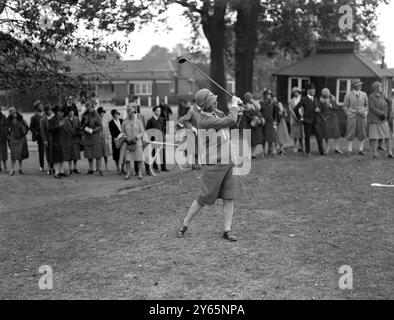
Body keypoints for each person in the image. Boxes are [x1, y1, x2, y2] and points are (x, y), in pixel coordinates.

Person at [176, 89, 244, 242]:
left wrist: (239, 112)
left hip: (228, 161)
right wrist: (233, 106)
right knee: (203, 198)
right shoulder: (204, 121)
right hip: (213, 165)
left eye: (215, 100)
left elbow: (232, 125)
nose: (216, 102)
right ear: (206, 105)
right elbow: (229, 121)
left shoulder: (217, 113)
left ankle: (227, 230)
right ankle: (184, 225)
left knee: (229, 196)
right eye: (213, 101)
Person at [294, 83, 325, 156]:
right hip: (307, 121)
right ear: (308, 91)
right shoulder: (304, 99)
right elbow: (295, 109)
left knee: (319, 136)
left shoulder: (316, 99)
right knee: (307, 137)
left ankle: (322, 151)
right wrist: (300, 117)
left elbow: (320, 108)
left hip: (315, 120)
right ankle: (308, 151)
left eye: (314, 89)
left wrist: (318, 110)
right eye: (312, 89)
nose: (314, 91)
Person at [343, 79, 369, 155]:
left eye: (360, 85)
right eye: (358, 85)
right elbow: (345, 106)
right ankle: (349, 150)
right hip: (352, 115)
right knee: (350, 132)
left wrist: (365, 112)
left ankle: (361, 150)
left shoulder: (364, 94)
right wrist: (349, 113)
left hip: (362, 115)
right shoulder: (348, 95)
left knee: (362, 132)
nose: (360, 86)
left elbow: (367, 105)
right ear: (354, 86)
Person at [368, 81, 393, 158]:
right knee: (374, 137)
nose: (382, 88)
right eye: (380, 87)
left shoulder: (383, 96)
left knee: (388, 136)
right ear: (376, 88)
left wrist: (385, 114)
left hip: (383, 120)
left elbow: (386, 106)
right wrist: (381, 114)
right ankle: (375, 153)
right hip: (375, 120)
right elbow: (372, 108)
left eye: (382, 87)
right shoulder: (371, 97)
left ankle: (390, 153)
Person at [121, 105, 145, 180]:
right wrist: (126, 138)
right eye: (131, 112)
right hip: (128, 143)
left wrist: (137, 137)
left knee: (139, 158)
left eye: (133, 112)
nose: (132, 113)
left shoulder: (138, 121)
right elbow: (122, 133)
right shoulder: (124, 122)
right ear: (128, 113)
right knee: (127, 159)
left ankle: (140, 173)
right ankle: (128, 174)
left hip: (137, 142)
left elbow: (142, 132)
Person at [81, 100, 104, 176]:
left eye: (90, 106)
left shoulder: (96, 114)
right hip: (87, 136)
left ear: (92, 106)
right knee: (89, 154)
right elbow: (81, 125)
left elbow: (100, 126)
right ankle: (90, 169)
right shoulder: (84, 115)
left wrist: (93, 130)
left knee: (98, 154)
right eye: (87, 106)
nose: (89, 108)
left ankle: (100, 169)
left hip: (95, 136)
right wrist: (85, 129)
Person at [240, 92, 264, 159]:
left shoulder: (254, 105)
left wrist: (260, 118)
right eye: (250, 98)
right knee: (250, 140)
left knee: (256, 140)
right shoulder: (246, 106)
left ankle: (253, 153)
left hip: (256, 125)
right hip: (249, 125)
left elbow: (259, 112)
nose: (252, 99)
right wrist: (253, 118)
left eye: (252, 97)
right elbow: (246, 115)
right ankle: (248, 153)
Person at [319, 88, 343, 155]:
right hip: (326, 118)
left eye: (327, 92)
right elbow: (320, 111)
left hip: (333, 117)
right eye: (324, 93)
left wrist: (331, 105)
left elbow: (337, 108)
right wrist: (322, 117)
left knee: (336, 133)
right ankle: (327, 149)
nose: (326, 94)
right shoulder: (321, 100)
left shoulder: (333, 98)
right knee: (327, 134)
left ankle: (337, 148)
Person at [7, 107, 29, 175]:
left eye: (14, 112)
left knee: (20, 154)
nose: (13, 114)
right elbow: (6, 130)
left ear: (15, 112)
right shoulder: (8, 120)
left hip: (21, 138)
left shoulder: (21, 119)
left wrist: (24, 133)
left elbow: (27, 127)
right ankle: (12, 169)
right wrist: (9, 136)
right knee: (13, 155)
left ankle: (20, 168)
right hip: (13, 138)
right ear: (10, 114)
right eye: (12, 113)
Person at [145, 105, 165, 175]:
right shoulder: (150, 120)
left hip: (160, 140)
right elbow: (147, 131)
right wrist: (151, 140)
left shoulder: (161, 119)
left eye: (160, 111)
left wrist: (163, 138)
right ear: (154, 111)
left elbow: (162, 129)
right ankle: (155, 167)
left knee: (162, 153)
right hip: (153, 141)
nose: (159, 112)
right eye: (158, 110)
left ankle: (163, 167)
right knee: (154, 154)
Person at [48, 105, 67, 179]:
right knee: (56, 158)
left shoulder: (62, 119)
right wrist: (58, 126)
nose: (59, 112)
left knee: (62, 157)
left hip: (62, 140)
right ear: (55, 112)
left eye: (60, 111)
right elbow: (49, 129)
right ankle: (56, 172)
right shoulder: (51, 120)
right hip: (55, 140)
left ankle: (61, 171)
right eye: (58, 111)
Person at [63, 106, 82, 173]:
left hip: (76, 138)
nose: (71, 113)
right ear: (68, 112)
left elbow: (80, 127)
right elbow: (64, 129)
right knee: (69, 154)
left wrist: (78, 132)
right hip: (68, 138)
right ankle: (70, 168)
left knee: (76, 154)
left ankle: (75, 167)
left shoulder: (77, 118)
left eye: (72, 111)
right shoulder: (65, 119)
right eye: (70, 111)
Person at [260, 90, 278, 155]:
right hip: (264, 122)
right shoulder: (261, 103)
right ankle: (263, 151)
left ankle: (272, 150)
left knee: (272, 137)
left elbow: (275, 113)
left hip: (271, 122)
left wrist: (275, 121)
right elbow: (259, 112)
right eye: (268, 94)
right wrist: (261, 118)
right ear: (264, 95)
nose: (269, 96)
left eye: (270, 95)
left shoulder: (273, 104)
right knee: (263, 138)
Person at [30, 101, 45, 172]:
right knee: (41, 152)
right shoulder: (34, 117)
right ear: (36, 108)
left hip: (47, 135)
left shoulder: (46, 114)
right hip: (40, 137)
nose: (41, 107)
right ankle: (41, 166)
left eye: (41, 105)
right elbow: (31, 127)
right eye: (40, 106)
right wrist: (36, 133)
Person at [108, 109, 125, 174]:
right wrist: (117, 138)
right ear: (113, 115)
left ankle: (123, 168)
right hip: (116, 140)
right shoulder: (111, 122)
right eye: (115, 114)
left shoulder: (121, 120)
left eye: (117, 114)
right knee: (116, 154)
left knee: (123, 154)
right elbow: (112, 132)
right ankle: (118, 168)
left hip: (123, 139)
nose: (117, 115)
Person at [289, 87, 304, 153]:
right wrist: (296, 117)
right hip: (294, 119)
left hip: (302, 118)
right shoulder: (291, 101)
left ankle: (301, 147)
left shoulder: (302, 100)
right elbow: (291, 110)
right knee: (295, 134)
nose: (296, 93)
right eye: (295, 92)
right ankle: (295, 146)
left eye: (297, 92)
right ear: (293, 93)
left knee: (301, 134)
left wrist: (302, 116)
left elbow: (304, 108)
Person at [40, 105, 54, 175]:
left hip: (54, 139)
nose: (50, 111)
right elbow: (42, 131)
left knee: (54, 153)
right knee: (48, 154)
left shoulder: (54, 118)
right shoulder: (43, 120)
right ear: (46, 111)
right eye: (49, 110)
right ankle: (49, 168)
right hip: (47, 139)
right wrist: (45, 140)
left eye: (51, 110)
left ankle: (53, 167)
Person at [97, 107, 112, 171]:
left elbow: (108, 129)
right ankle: (98, 167)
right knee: (98, 153)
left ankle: (106, 166)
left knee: (106, 153)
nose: (103, 114)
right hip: (98, 138)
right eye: (101, 112)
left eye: (103, 112)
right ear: (99, 113)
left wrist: (108, 137)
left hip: (105, 138)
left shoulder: (105, 120)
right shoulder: (96, 120)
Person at [0, 107, 8, 172]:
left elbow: (6, 126)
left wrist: (6, 135)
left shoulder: (3, 117)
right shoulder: (3, 117)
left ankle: (5, 166)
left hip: (3, 137)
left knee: (4, 152)